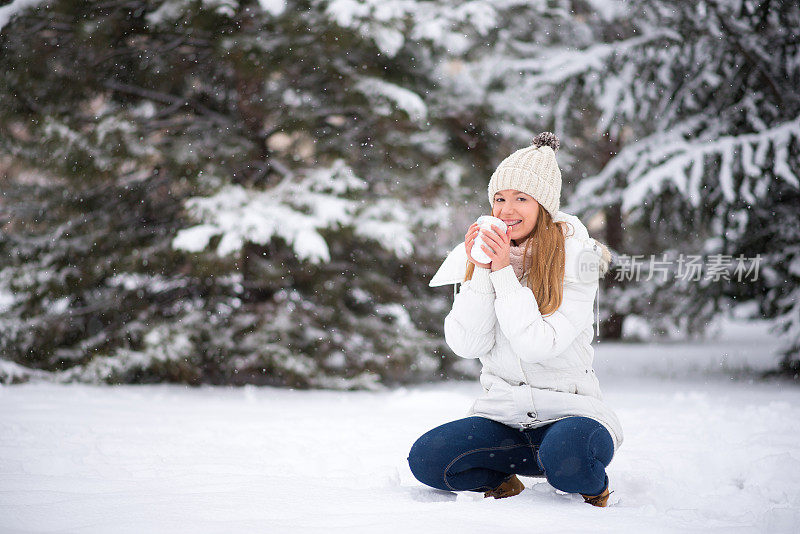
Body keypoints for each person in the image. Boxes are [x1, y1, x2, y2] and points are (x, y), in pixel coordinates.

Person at [407, 132, 623, 507]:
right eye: (499, 199)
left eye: (521, 199)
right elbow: (466, 345)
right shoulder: (484, 258)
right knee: (427, 458)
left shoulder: (577, 262)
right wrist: (480, 271)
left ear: (544, 207)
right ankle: (505, 482)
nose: (506, 210)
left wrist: (502, 272)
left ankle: (593, 490)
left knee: (568, 460)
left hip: (571, 417)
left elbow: (536, 345)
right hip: (505, 420)